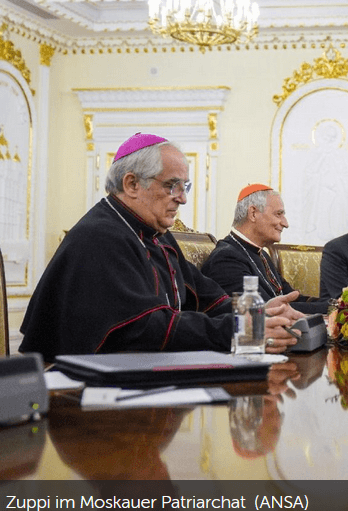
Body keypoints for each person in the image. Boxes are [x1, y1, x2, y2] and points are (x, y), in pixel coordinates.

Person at [19, 133, 301, 361]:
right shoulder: (101, 237)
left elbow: (205, 296)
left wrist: (257, 313)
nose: (182, 199)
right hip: (82, 393)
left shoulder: (157, 234)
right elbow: (145, 328)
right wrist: (241, 329)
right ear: (131, 184)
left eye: (185, 187)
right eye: (172, 185)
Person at [201, 184, 329, 315]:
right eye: (278, 214)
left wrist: (337, 305)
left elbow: (292, 298)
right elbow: (266, 310)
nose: (285, 223)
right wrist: (333, 309)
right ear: (253, 213)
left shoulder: (261, 254)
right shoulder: (226, 259)